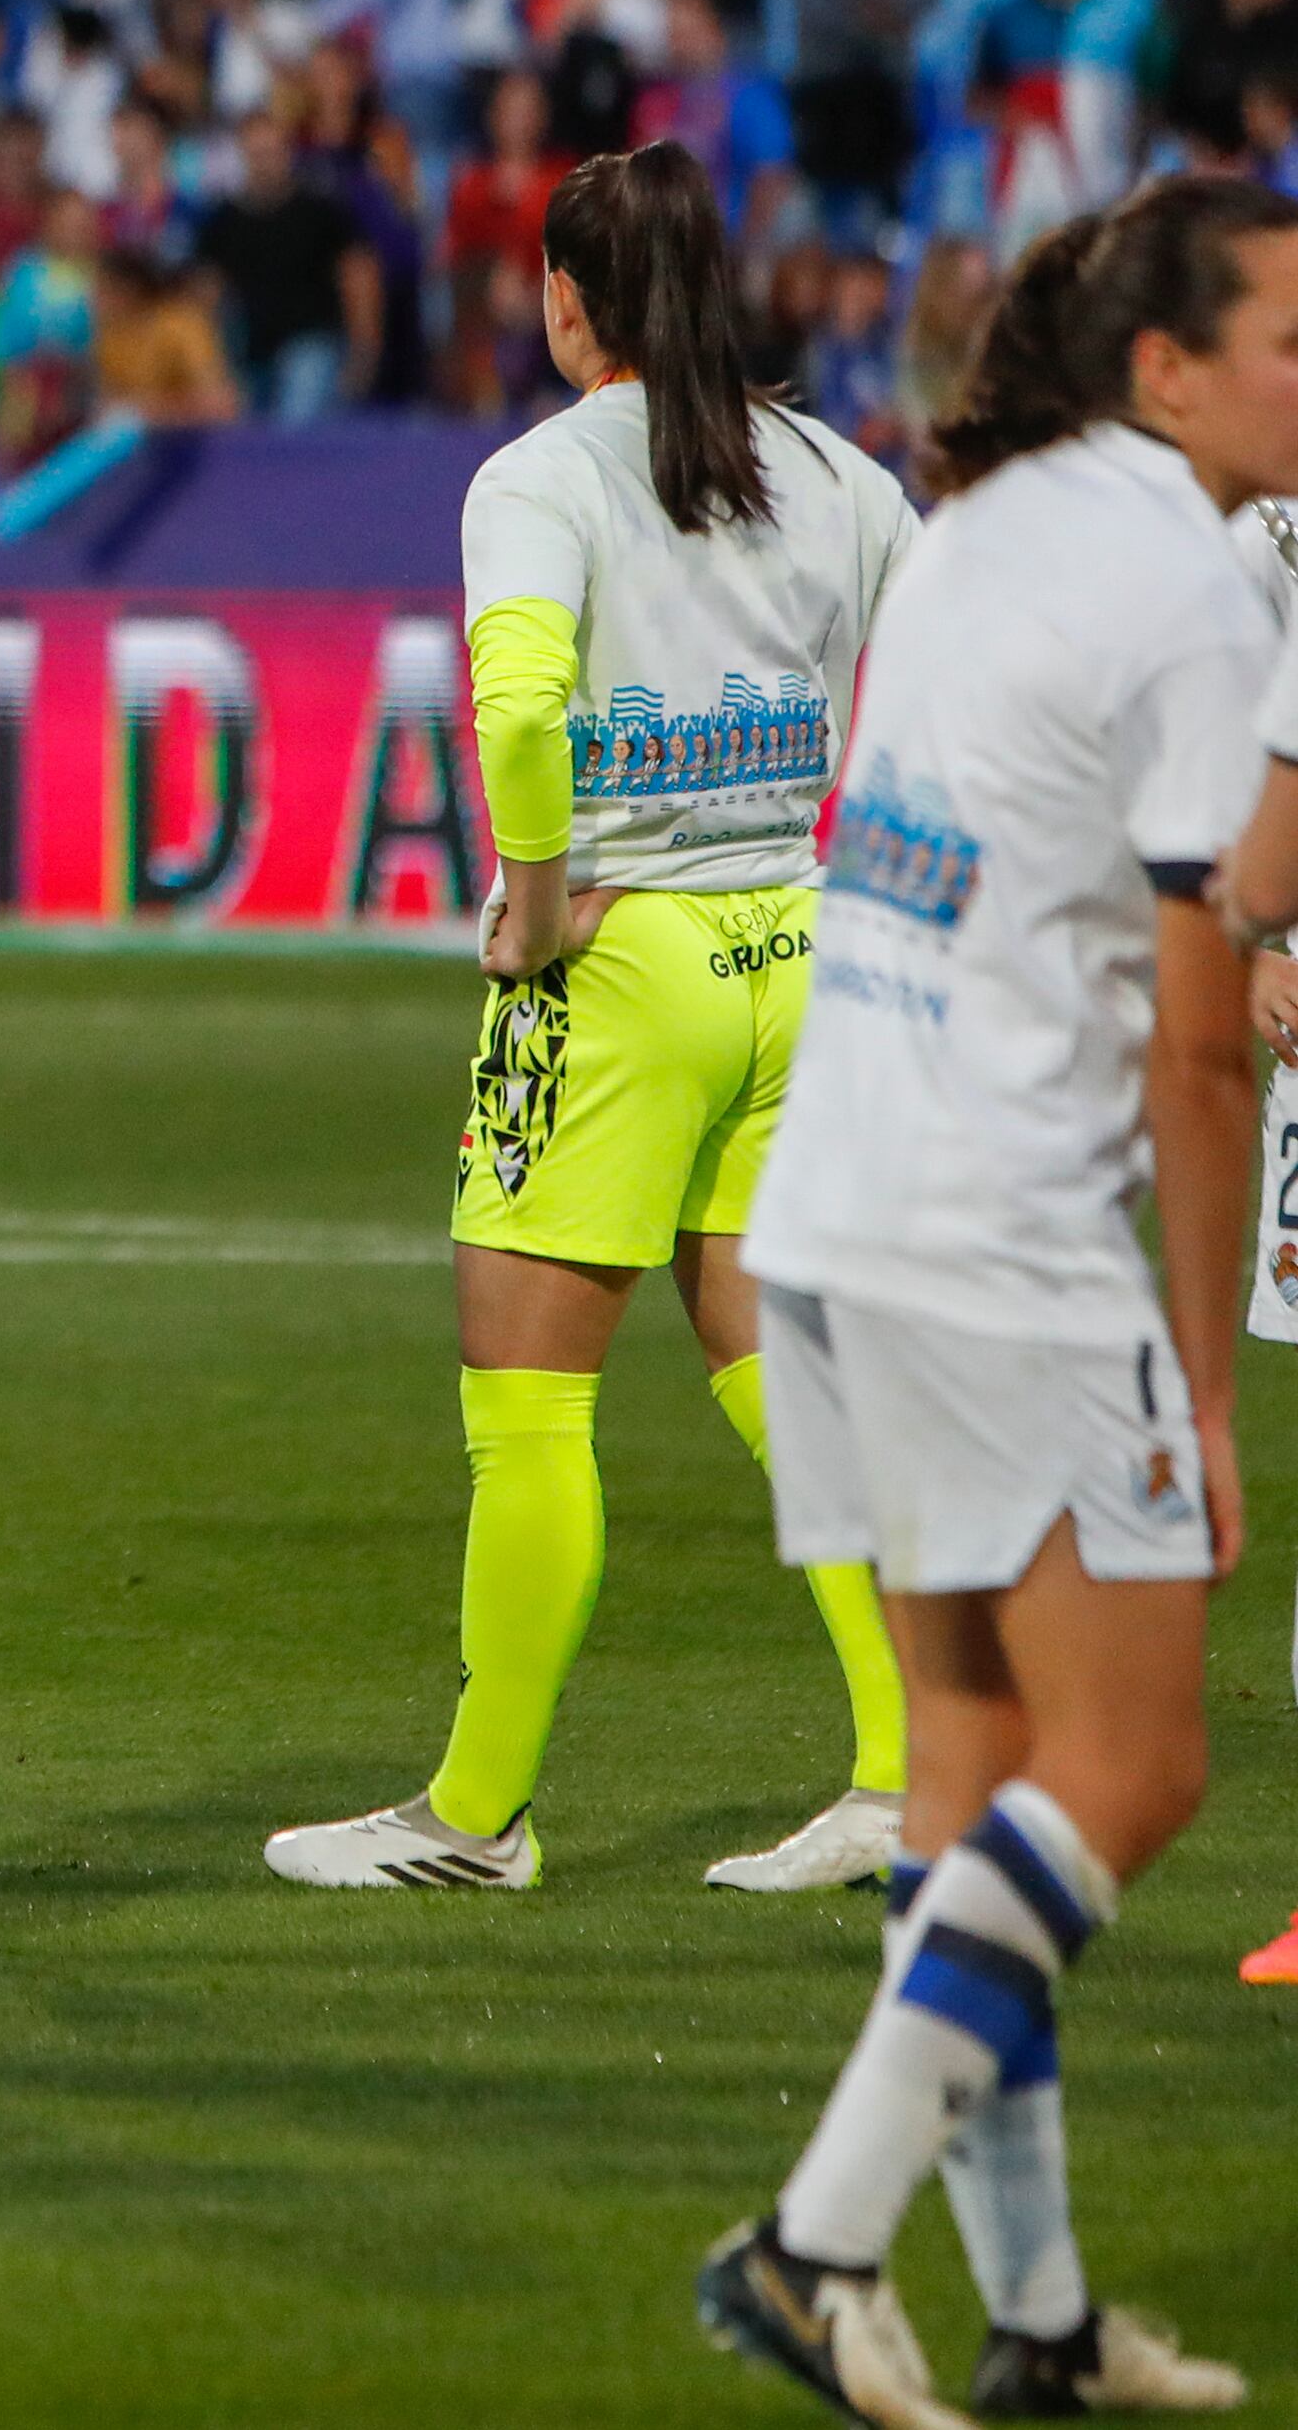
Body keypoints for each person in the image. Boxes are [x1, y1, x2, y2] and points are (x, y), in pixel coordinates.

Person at [698, 179, 1298, 2425]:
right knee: (1135, 1766)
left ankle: (1032, 2319)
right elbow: (1198, 1031)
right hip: (1008, 1233)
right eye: (1286, 339)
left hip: (840, 1205)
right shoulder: (1189, 594)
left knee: (969, 1775)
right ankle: (813, 2234)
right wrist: (1209, 1384)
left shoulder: (983, 523)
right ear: (1166, 366)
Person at [268, 147, 925, 1900]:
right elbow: (946, 704)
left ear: (565, 298)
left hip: (624, 976)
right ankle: (906, 1762)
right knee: (775, 1354)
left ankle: (476, 1816)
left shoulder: (540, 477)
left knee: (529, 1394)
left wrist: (543, 907)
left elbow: (522, 712)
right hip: (801, 947)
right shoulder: (843, 477)